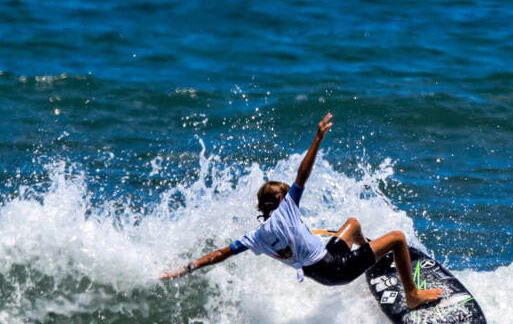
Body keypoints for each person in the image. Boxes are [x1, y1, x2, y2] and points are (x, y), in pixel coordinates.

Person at [160, 113, 443, 309]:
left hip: (320, 269)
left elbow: (219, 254)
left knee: (353, 224)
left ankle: (373, 258)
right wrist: (318, 138)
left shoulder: (255, 236)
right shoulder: (288, 208)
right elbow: (302, 174)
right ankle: (412, 295)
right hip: (336, 269)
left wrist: (183, 270)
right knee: (397, 238)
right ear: (282, 200)